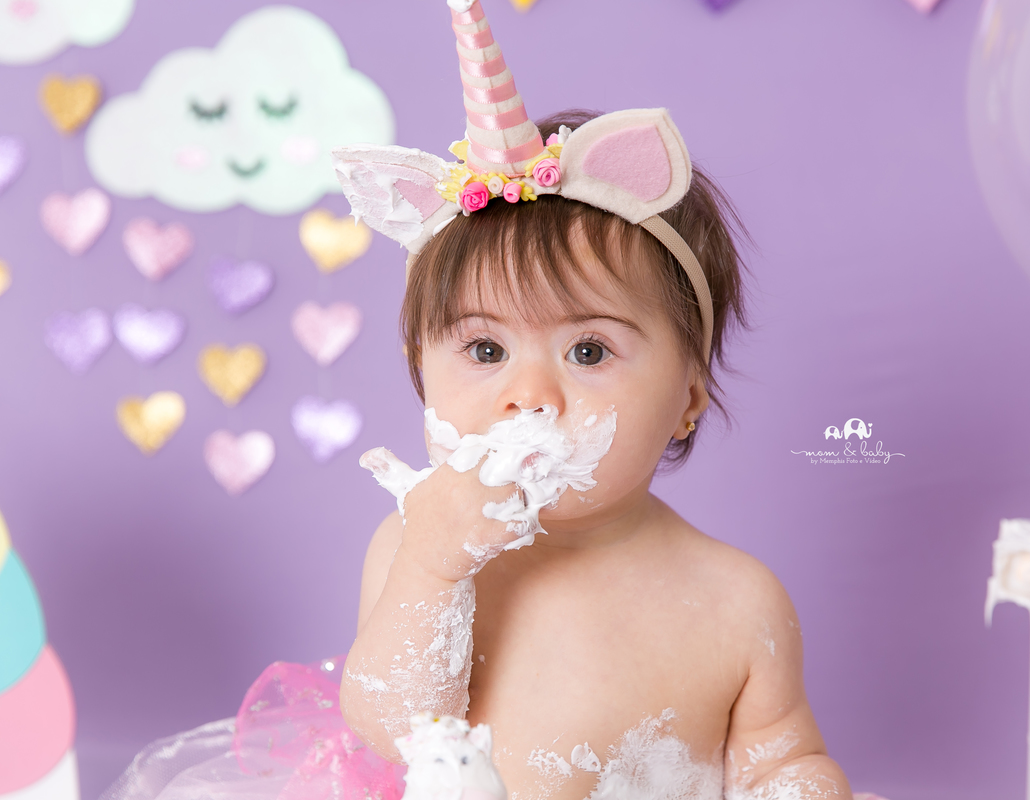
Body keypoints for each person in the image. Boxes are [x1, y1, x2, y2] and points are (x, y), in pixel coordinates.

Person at [103, 1, 855, 798]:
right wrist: (435, 565)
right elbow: (393, 732)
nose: (529, 396)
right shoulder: (418, 549)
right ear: (422, 371)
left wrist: (799, 784)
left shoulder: (735, 599)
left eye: (589, 351)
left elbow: (781, 757)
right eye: (487, 350)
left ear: (688, 401)